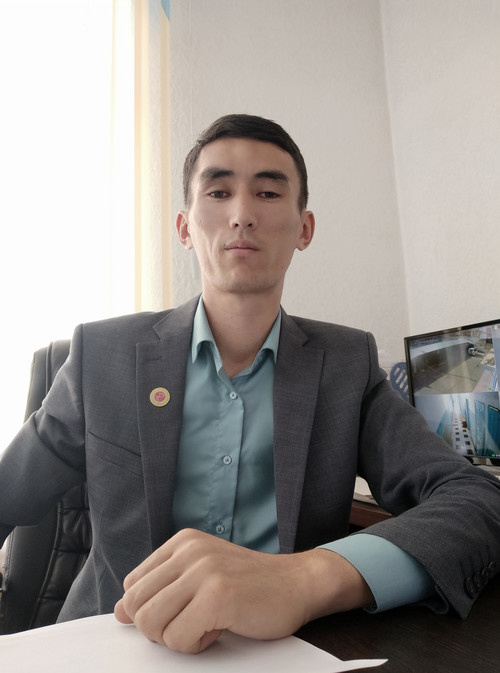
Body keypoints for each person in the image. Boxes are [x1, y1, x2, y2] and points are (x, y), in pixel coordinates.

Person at [1, 114, 499, 654]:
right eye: (218, 192)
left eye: (267, 192)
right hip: (112, 643)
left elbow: (476, 499)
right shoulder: (103, 355)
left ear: (304, 229)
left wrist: (306, 579)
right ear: (185, 228)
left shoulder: (346, 364)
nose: (242, 214)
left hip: (284, 651)